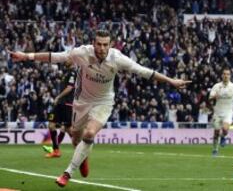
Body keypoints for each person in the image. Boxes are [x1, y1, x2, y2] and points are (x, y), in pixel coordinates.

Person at [8, 29, 191, 187]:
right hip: (81, 102)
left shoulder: (118, 59)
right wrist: (26, 56)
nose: (101, 48)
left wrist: (170, 81)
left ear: (110, 45)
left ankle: (67, 173)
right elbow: (55, 57)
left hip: (103, 103)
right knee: (75, 139)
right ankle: (83, 157)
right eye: (98, 44)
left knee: (89, 134)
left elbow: (145, 72)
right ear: (93, 43)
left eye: (105, 44)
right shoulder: (82, 53)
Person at [42, 60, 75, 158]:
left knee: (60, 127)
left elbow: (69, 88)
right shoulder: (67, 72)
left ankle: (57, 150)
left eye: (68, 59)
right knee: (65, 128)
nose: (65, 60)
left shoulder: (72, 73)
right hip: (63, 103)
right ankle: (56, 150)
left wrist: (58, 97)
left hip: (65, 103)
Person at [209, 68, 233, 156]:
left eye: (228, 74)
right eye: (224, 74)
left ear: (230, 76)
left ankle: (224, 136)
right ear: (222, 75)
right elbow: (210, 97)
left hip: (228, 112)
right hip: (217, 112)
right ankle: (215, 150)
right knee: (216, 132)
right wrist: (214, 97)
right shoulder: (217, 86)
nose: (226, 76)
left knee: (225, 129)